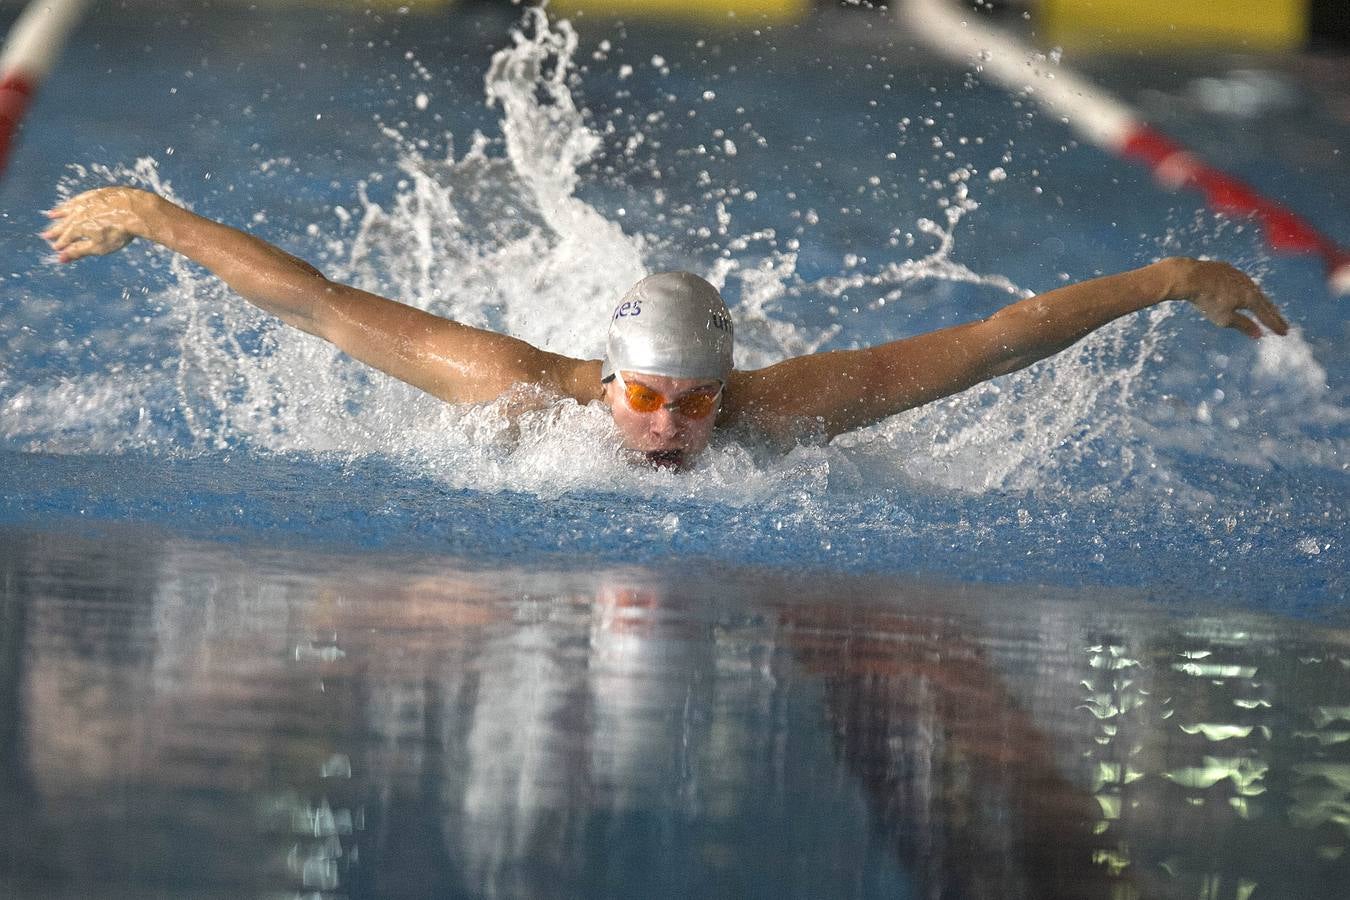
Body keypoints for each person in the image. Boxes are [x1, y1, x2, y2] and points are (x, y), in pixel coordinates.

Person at [40, 186, 1289, 469]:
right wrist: (154, 217)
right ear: (606, 383)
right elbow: (317, 300)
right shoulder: (519, 392)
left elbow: (992, 340)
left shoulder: (779, 409)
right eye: (650, 400)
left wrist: (1173, 274)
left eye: (696, 400)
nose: (676, 428)